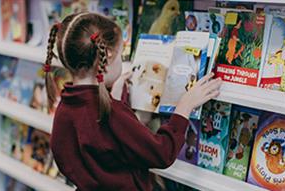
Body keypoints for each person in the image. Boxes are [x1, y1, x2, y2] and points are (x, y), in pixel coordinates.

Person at [44, 12, 222, 191]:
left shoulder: (65, 108)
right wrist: (185, 106)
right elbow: (162, 153)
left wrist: (115, 100)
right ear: (109, 55)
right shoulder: (110, 114)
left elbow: (94, 144)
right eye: (121, 55)